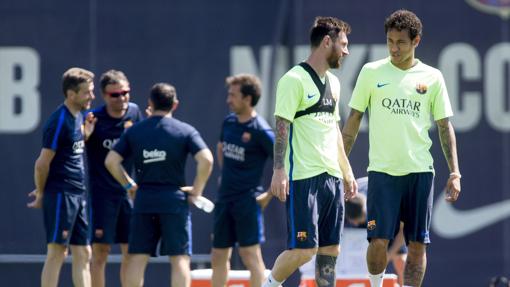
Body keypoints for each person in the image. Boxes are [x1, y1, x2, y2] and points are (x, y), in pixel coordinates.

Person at [342, 9, 461, 287]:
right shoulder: (371, 72)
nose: (394, 48)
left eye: (401, 42)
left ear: (416, 41)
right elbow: (353, 122)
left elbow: (445, 126)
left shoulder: (432, 77)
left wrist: (455, 172)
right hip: (382, 174)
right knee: (378, 241)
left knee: (418, 245)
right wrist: (340, 164)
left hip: (420, 173)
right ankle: (375, 283)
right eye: (390, 41)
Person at [263, 16, 357, 287]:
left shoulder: (335, 84)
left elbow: (334, 131)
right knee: (304, 250)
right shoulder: (293, 79)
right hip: (304, 177)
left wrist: (347, 171)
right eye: (344, 44)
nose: (347, 51)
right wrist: (279, 170)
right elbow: (281, 128)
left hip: (332, 178)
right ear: (327, 42)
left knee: (330, 251)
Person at [104, 83, 213, 287]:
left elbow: (111, 161)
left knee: (137, 258)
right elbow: (207, 160)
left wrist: (129, 186)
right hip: (174, 201)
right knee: (179, 259)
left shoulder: (135, 131)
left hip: (144, 200)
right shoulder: (185, 130)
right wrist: (197, 190)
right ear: (175, 104)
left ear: (150, 104)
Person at [27, 67, 95, 287]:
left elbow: (70, 147)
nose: (92, 97)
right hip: (61, 194)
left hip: (79, 194)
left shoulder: (78, 117)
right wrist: (41, 192)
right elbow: (41, 164)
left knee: (84, 252)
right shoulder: (58, 121)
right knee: (57, 252)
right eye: (87, 92)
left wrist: (86, 135)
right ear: (71, 94)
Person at [211, 74, 274, 287]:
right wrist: (225, 174)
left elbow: (284, 164)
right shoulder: (228, 122)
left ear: (248, 99)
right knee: (218, 255)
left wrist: (269, 194)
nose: (228, 99)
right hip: (224, 199)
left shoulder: (261, 130)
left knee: (250, 255)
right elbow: (221, 148)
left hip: (247, 201)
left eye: (233, 95)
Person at [84, 70, 144, 287]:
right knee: (100, 252)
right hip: (102, 195)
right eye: (115, 95)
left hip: (128, 194)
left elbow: (142, 148)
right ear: (103, 95)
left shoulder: (135, 113)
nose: (122, 98)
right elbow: (74, 146)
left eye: (125, 92)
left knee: (131, 250)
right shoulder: (94, 118)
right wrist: (85, 135)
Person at [344, 177, 407, 287]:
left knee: (401, 261)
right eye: (354, 221)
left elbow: (403, 230)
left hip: (383, 220)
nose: (356, 223)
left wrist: (388, 255)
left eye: (359, 220)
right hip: (356, 229)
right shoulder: (344, 198)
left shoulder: (387, 202)